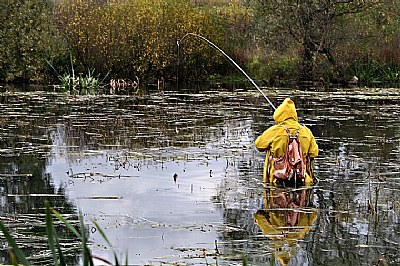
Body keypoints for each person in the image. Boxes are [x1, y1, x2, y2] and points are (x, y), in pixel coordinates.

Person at [255, 98, 318, 185]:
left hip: (276, 180)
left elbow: (259, 145)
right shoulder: (306, 131)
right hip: (301, 179)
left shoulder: (275, 130)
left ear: (279, 114)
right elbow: (314, 153)